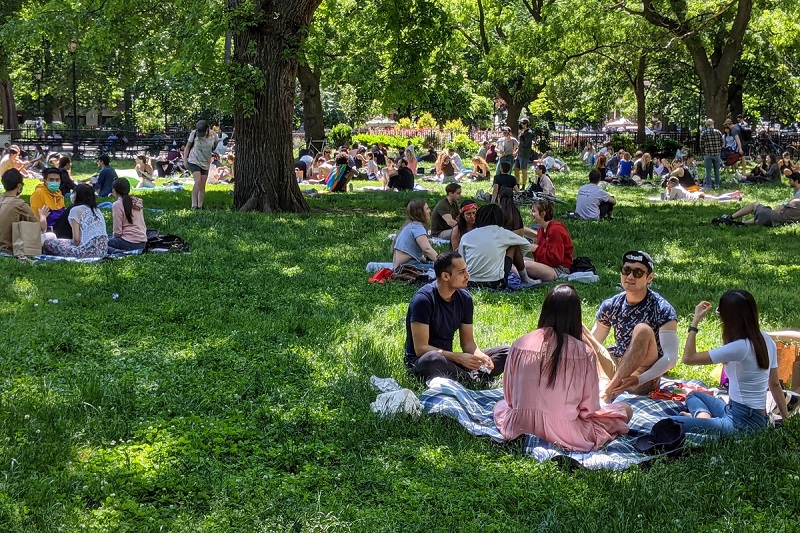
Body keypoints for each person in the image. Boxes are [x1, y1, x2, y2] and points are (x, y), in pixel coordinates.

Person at [493, 284, 631, 450]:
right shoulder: (584, 353)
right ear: (575, 317)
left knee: (499, 406)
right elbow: (588, 409)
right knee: (625, 410)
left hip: (519, 424)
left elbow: (509, 397)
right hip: (566, 432)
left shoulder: (520, 344)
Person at [669, 290, 789, 435]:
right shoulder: (767, 340)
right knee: (694, 395)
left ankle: (704, 422)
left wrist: (695, 322)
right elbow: (775, 384)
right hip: (747, 415)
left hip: (741, 423)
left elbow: (688, 358)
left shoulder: (740, 347)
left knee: (668, 423)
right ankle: (703, 417)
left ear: (728, 318)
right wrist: (787, 420)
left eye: (720, 312)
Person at [586, 251, 679, 402]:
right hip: (616, 366)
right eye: (626, 270)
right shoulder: (611, 305)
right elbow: (593, 342)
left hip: (641, 376)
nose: (630, 276)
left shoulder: (662, 308)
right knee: (576, 323)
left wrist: (640, 379)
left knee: (642, 329)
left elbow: (671, 358)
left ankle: (609, 392)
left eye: (637, 273)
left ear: (649, 278)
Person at [404, 251, 510, 382]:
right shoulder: (423, 300)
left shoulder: (464, 299)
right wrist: (458, 357)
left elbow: (468, 343)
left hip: (451, 361)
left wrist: (480, 356)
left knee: (508, 352)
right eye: (461, 272)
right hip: (425, 362)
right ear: (446, 276)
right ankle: (474, 378)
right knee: (433, 359)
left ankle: (469, 377)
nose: (467, 276)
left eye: (466, 271)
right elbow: (421, 349)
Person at [458, 204, 536, 289]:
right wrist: (516, 258)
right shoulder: (502, 233)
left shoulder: (466, 236)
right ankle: (526, 279)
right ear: (500, 218)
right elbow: (526, 244)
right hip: (495, 283)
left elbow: (461, 259)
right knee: (514, 246)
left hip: (470, 282)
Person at [42, 184, 108, 258]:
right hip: (103, 250)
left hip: (87, 252)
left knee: (48, 243)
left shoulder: (75, 210)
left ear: (78, 195)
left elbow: (76, 241)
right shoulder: (97, 210)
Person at [713, 172, 800, 226]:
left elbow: (783, 206)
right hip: (779, 220)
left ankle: (729, 218)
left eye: (790, 180)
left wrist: (783, 205)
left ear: (796, 181)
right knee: (762, 215)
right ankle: (741, 224)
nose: (789, 182)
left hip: (776, 217)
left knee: (755, 205)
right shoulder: (796, 193)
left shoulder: (797, 197)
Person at [0, 169, 50, 254]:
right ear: (19, 186)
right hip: (8, 249)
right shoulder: (20, 204)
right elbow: (41, 228)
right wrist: (43, 216)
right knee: (51, 236)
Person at [523, 200, 573, 281]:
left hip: (559, 269)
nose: (531, 214)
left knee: (525, 265)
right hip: (548, 265)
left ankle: (527, 281)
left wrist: (536, 249)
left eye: (533, 211)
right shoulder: (541, 230)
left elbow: (556, 259)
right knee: (517, 260)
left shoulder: (555, 230)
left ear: (543, 214)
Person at [392, 198, 439, 270]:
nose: (429, 211)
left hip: (402, 265)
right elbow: (427, 249)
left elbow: (412, 253)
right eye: (427, 209)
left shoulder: (410, 225)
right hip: (407, 266)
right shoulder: (417, 227)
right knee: (442, 270)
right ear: (420, 212)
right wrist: (442, 262)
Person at [184, 119, 219, 209]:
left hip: (205, 161)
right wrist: (185, 160)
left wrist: (213, 153)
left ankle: (200, 206)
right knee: (198, 181)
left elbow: (215, 146)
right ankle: (193, 205)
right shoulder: (194, 133)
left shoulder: (213, 135)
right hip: (194, 159)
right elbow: (187, 147)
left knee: (203, 184)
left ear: (207, 129)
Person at [108, 179, 148, 254]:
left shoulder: (117, 205)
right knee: (107, 238)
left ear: (115, 190)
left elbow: (117, 232)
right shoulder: (136, 202)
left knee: (100, 244)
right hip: (142, 241)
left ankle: (121, 252)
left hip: (129, 242)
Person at [665, 177, 742, 202]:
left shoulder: (675, 188)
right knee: (717, 198)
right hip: (696, 195)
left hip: (697, 197)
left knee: (717, 199)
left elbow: (670, 199)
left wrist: (667, 191)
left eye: (669, 183)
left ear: (672, 183)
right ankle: (734, 193)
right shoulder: (679, 186)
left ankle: (734, 197)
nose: (668, 184)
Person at [700, 118, 725, 189]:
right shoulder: (718, 132)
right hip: (717, 154)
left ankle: (709, 186)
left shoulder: (704, 133)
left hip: (707, 154)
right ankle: (717, 185)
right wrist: (719, 149)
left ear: (706, 125)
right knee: (716, 170)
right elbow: (722, 143)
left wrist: (704, 152)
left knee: (708, 170)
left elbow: (701, 145)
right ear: (712, 124)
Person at [515, 119, 534, 188]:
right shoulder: (523, 132)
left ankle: (523, 185)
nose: (520, 125)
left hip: (524, 154)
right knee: (516, 169)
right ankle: (517, 184)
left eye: (521, 123)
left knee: (523, 170)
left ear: (525, 124)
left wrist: (521, 137)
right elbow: (520, 144)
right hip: (519, 154)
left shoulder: (529, 133)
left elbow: (525, 144)